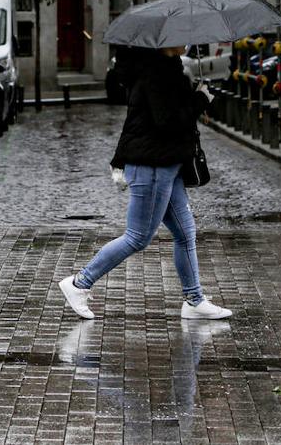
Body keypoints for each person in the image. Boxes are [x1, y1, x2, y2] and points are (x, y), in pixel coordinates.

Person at [58, 44, 231, 321]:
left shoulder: (168, 69)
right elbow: (167, 121)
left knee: (185, 233)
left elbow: (135, 122)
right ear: (162, 43)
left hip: (167, 163)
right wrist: (199, 100)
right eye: (177, 37)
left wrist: (193, 93)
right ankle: (79, 282)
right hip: (152, 165)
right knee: (138, 236)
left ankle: (195, 300)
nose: (184, 42)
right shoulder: (156, 73)